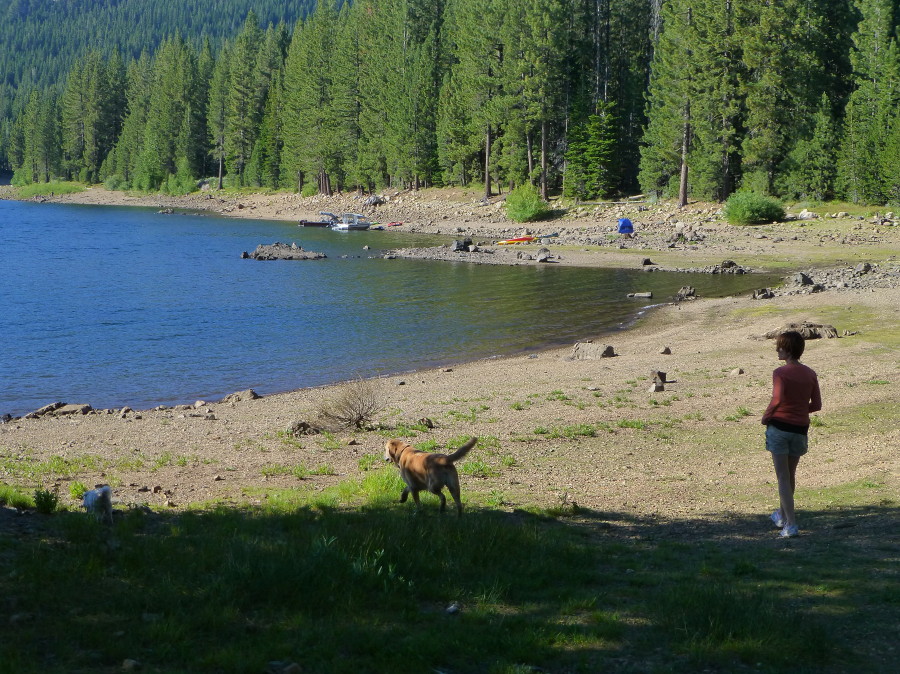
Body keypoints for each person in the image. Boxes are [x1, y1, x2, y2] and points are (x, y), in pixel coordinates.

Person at [761, 330, 822, 537]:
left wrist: (766, 416)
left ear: (787, 350)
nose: (777, 350)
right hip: (800, 429)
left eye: (779, 346)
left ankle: (791, 524)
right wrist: (799, 409)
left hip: (780, 427)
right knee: (789, 476)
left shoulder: (780, 373)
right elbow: (817, 405)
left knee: (782, 477)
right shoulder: (810, 373)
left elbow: (776, 400)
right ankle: (781, 515)